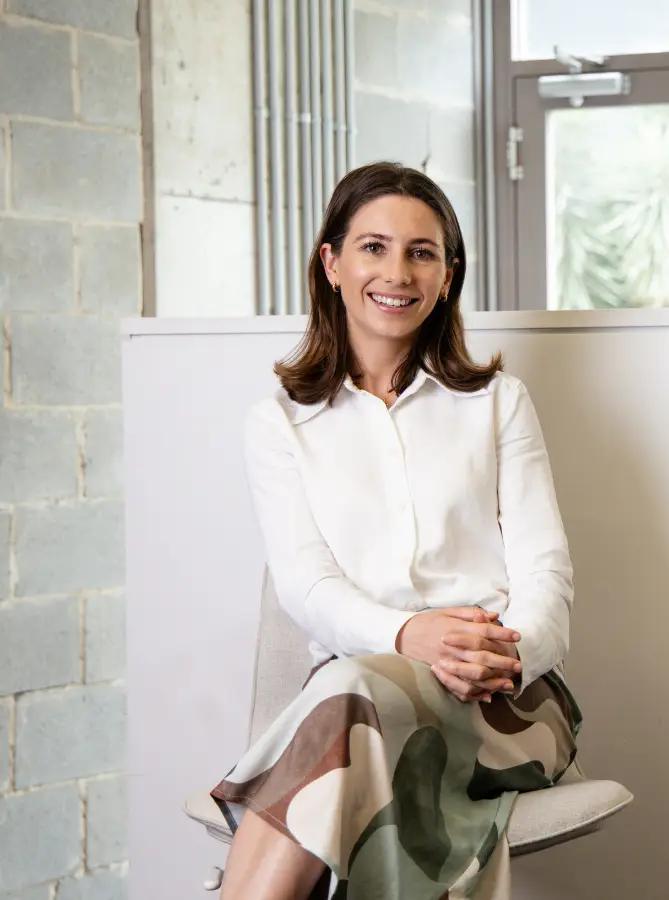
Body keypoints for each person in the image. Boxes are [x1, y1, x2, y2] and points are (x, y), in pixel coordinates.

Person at [211, 162, 582, 900]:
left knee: (346, 706)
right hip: (351, 706)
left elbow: (548, 581)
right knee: (352, 693)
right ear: (332, 263)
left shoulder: (499, 404)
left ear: (448, 276)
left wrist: (497, 656)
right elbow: (307, 586)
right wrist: (411, 637)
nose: (397, 272)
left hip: (505, 704)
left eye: (422, 252)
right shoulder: (279, 423)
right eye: (374, 247)